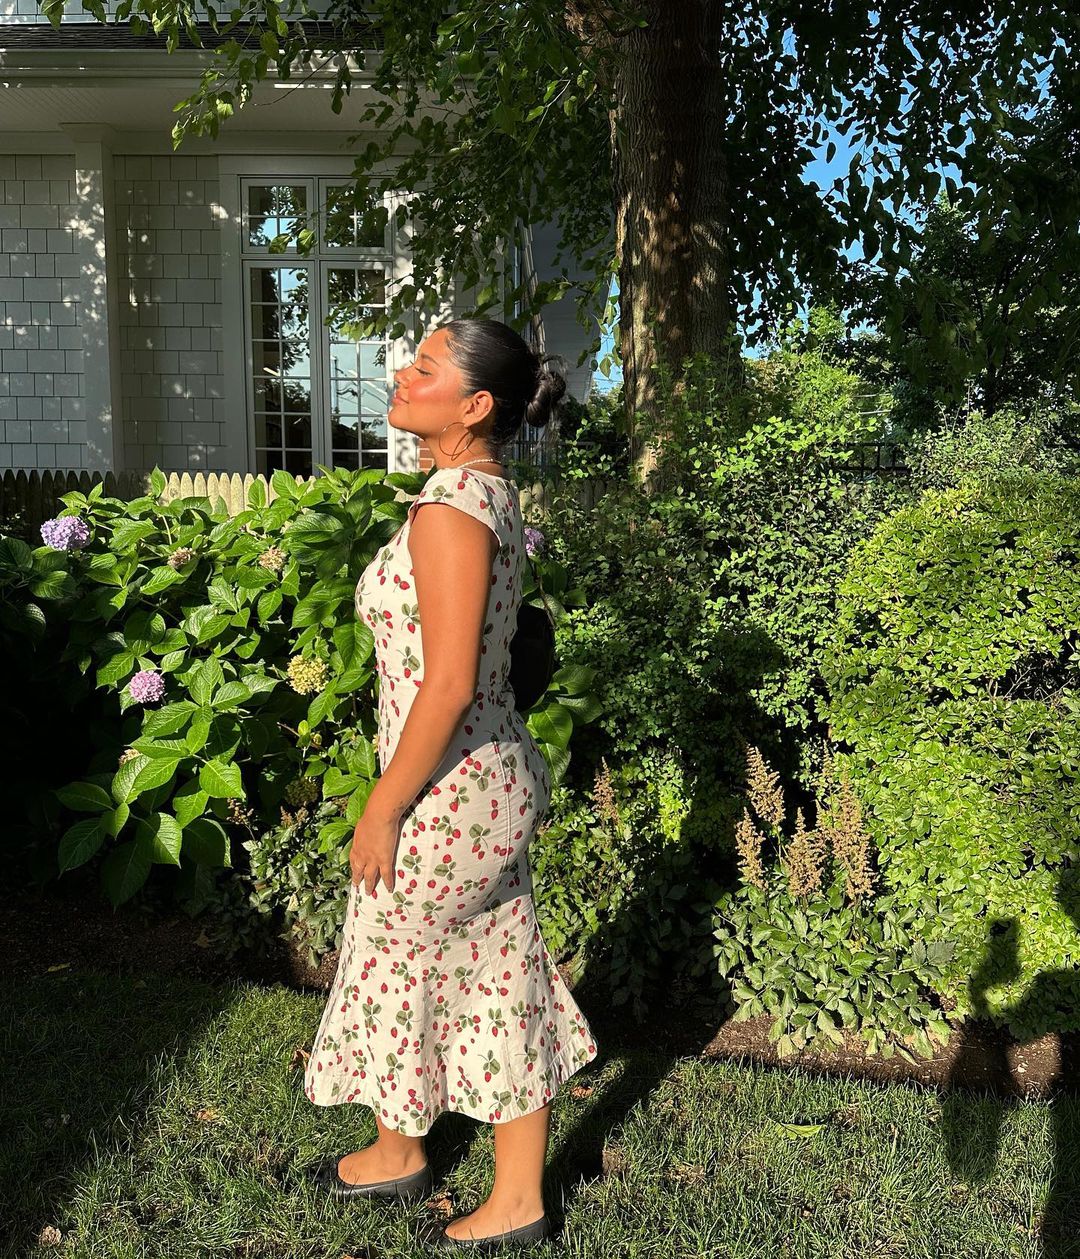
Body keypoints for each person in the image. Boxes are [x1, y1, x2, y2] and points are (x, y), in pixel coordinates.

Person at [304, 318, 599, 1251]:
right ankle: (449, 1168)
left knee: (412, 965)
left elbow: (448, 684)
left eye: (425, 366)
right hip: (484, 777)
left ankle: (447, 1171)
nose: (403, 371)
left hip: (448, 791)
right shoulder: (488, 490)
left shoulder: (450, 509)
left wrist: (382, 805)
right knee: (488, 969)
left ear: (474, 406)